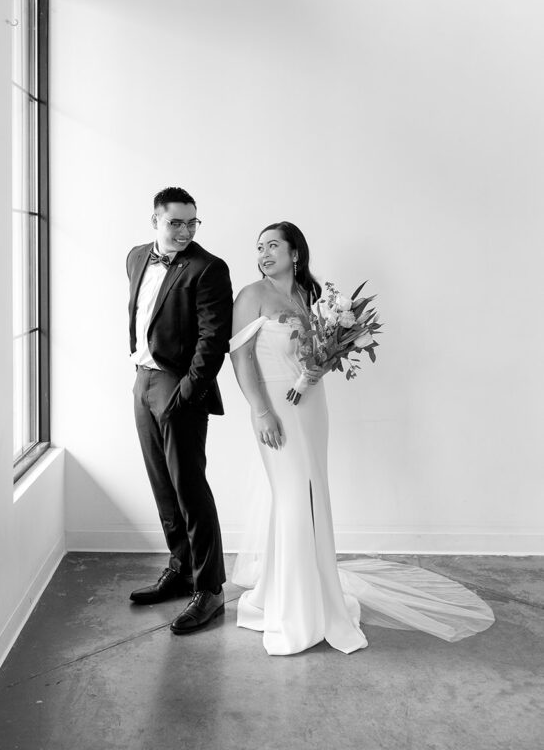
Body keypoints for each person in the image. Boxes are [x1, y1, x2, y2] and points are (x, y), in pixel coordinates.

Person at [230, 221, 494, 656]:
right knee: (294, 497)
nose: (263, 253)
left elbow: (320, 353)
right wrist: (260, 410)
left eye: (272, 245)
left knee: (313, 498)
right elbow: (240, 358)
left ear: (295, 253)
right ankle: (292, 611)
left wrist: (320, 367)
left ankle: (307, 594)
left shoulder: (308, 296)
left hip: (312, 406)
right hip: (275, 408)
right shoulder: (250, 296)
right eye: (259, 247)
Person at [127, 187, 233, 634]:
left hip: (179, 387)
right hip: (143, 381)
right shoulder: (135, 257)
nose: (186, 230)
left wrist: (186, 395)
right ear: (155, 221)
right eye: (176, 222)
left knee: (190, 488)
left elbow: (214, 341)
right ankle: (181, 568)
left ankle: (210, 589)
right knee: (162, 486)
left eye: (193, 222)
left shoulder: (208, 268)